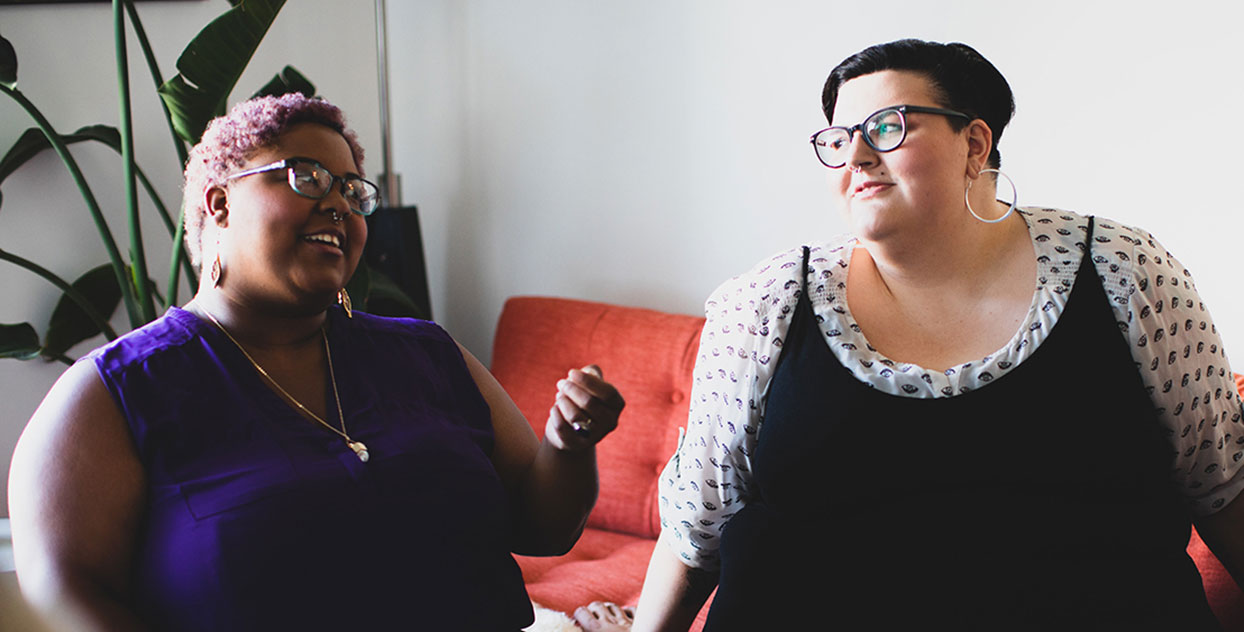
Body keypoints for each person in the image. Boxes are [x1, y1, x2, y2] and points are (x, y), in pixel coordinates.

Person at [576, 39, 1244, 631]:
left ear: (974, 144)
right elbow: (698, 528)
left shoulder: (1125, 272)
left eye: (887, 127)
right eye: (838, 139)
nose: (857, 155)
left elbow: (1222, 486)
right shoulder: (766, 303)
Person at [8, 93, 625, 631]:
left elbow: (545, 530)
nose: (339, 204)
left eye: (353, 191)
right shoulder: (114, 392)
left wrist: (568, 444)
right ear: (219, 203)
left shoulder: (429, 355)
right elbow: (63, 589)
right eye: (305, 177)